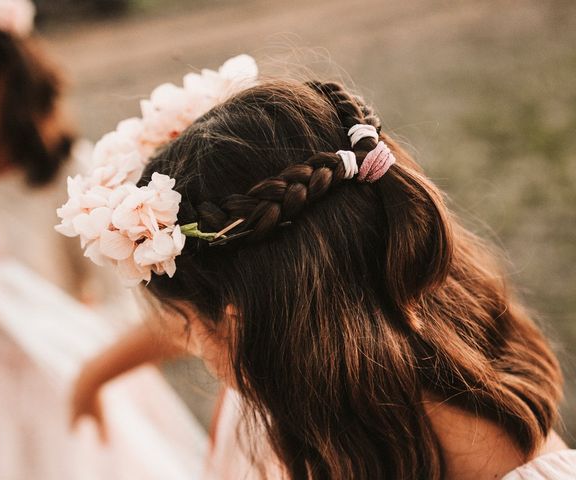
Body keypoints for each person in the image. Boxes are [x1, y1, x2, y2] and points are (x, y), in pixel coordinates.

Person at [58, 54, 575, 479]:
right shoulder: (297, 387)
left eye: (189, 327)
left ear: (240, 325)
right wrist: (95, 375)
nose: (186, 345)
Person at [0, 1, 206, 479]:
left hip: (53, 392)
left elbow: (138, 311)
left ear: (8, 84)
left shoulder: (69, 178)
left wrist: (14, 304)